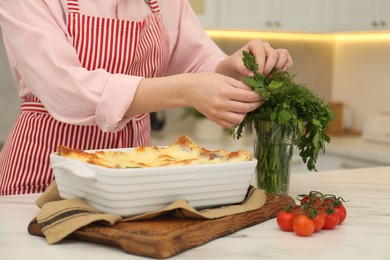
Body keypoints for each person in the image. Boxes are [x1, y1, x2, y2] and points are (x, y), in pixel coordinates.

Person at [0, 0, 293, 196]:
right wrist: (186, 89)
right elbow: (66, 89)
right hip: (44, 177)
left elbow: (195, 59)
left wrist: (234, 65)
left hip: (131, 180)